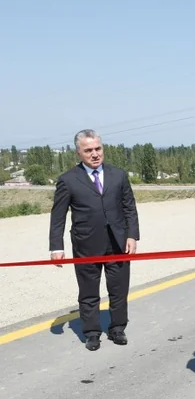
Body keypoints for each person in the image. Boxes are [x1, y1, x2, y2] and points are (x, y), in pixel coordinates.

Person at [49, 130, 139, 352]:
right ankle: (91, 332)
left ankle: (117, 328)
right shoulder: (68, 180)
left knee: (119, 289)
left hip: (118, 242)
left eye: (98, 148)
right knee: (89, 292)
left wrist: (132, 235)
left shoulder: (118, 175)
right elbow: (58, 215)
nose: (95, 154)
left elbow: (129, 208)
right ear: (79, 152)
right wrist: (56, 247)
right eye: (88, 150)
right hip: (86, 244)